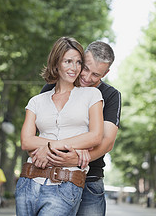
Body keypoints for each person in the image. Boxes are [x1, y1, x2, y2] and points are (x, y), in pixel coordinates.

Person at [15, 36, 104, 216]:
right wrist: (73, 145)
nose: (74, 68)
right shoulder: (36, 101)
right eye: (68, 61)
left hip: (65, 184)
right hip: (29, 181)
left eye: (78, 62)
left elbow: (95, 136)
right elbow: (26, 141)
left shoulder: (92, 95)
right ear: (56, 63)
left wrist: (48, 147)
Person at [32, 40, 121, 216]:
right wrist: (52, 153)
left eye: (96, 75)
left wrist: (75, 161)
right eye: (85, 68)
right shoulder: (51, 88)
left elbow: (107, 141)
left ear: (106, 73)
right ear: (80, 60)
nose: (87, 78)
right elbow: (37, 135)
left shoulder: (111, 95)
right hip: (51, 177)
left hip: (90, 180)